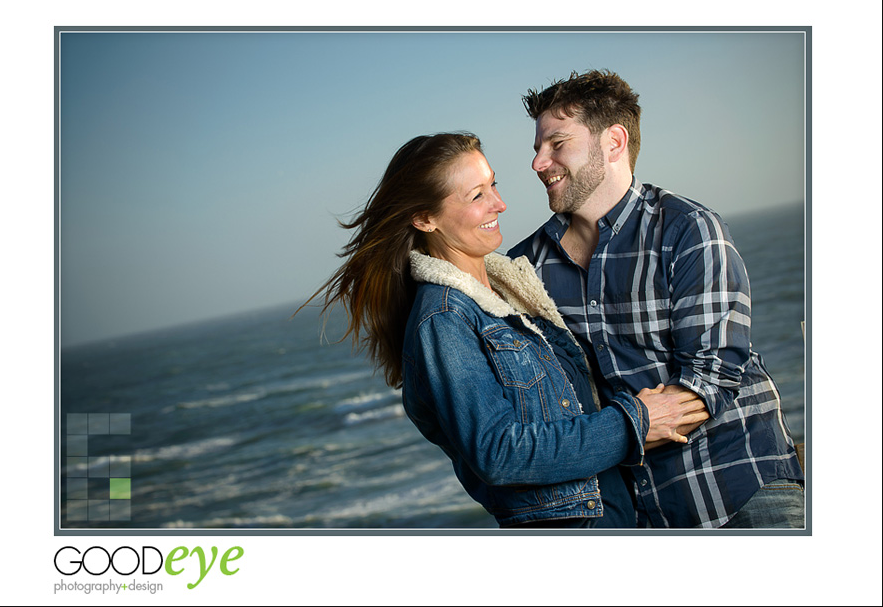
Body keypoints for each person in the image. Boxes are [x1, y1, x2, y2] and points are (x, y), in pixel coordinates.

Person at [308, 132, 708, 528]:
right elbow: (499, 453)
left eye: (493, 185)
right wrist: (634, 422)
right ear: (425, 219)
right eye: (476, 196)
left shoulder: (511, 292)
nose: (499, 203)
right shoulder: (444, 319)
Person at [509, 70, 805, 528]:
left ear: (613, 142)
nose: (538, 163)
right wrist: (622, 429)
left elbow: (708, 383)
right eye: (537, 148)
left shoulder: (689, 230)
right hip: (638, 518)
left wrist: (597, 437)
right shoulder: (523, 268)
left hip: (742, 493)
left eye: (557, 144)